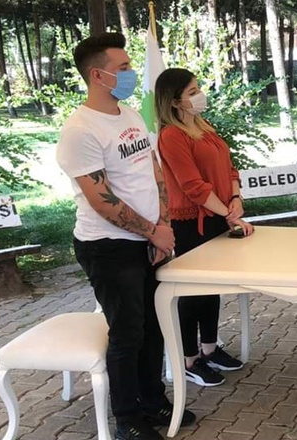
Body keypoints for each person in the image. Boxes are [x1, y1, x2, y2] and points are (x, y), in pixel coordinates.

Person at [56, 33, 194, 440]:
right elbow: (102, 200)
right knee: (127, 332)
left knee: (153, 325)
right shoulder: (80, 130)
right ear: (98, 76)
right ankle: (127, 418)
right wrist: (153, 232)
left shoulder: (129, 114)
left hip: (150, 238)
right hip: (108, 248)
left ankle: (152, 400)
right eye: (124, 68)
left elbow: (154, 172)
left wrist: (162, 226)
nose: (132, 73)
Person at [154, 68, 253, 387]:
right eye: (192, 91)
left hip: (218, 215)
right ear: (174, 101)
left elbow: (230, 167)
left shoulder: (203, 126)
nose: (200, 95)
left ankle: (210, 349)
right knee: (192, 293)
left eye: (198, 88)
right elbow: (192, 186)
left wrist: (235, 198)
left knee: (212, 288)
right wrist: (230, 214)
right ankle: (188, 359)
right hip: (191, 223)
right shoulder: (171, 135)